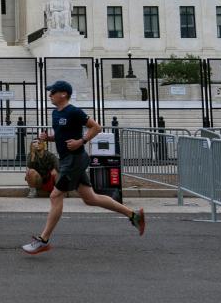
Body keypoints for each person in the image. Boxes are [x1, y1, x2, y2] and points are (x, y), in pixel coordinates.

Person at [22, 80, 145, 255]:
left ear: (63, 94)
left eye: (53, 92)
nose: (50, 95)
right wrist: (48, 138)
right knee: (90, 198)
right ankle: (134, 215)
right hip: (67, 160)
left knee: (56, 195)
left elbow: (96, 127)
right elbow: (62, 134)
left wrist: (82, 141)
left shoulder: (74, 111)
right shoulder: (55, 113)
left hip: (75, 159)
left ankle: (43, 240)